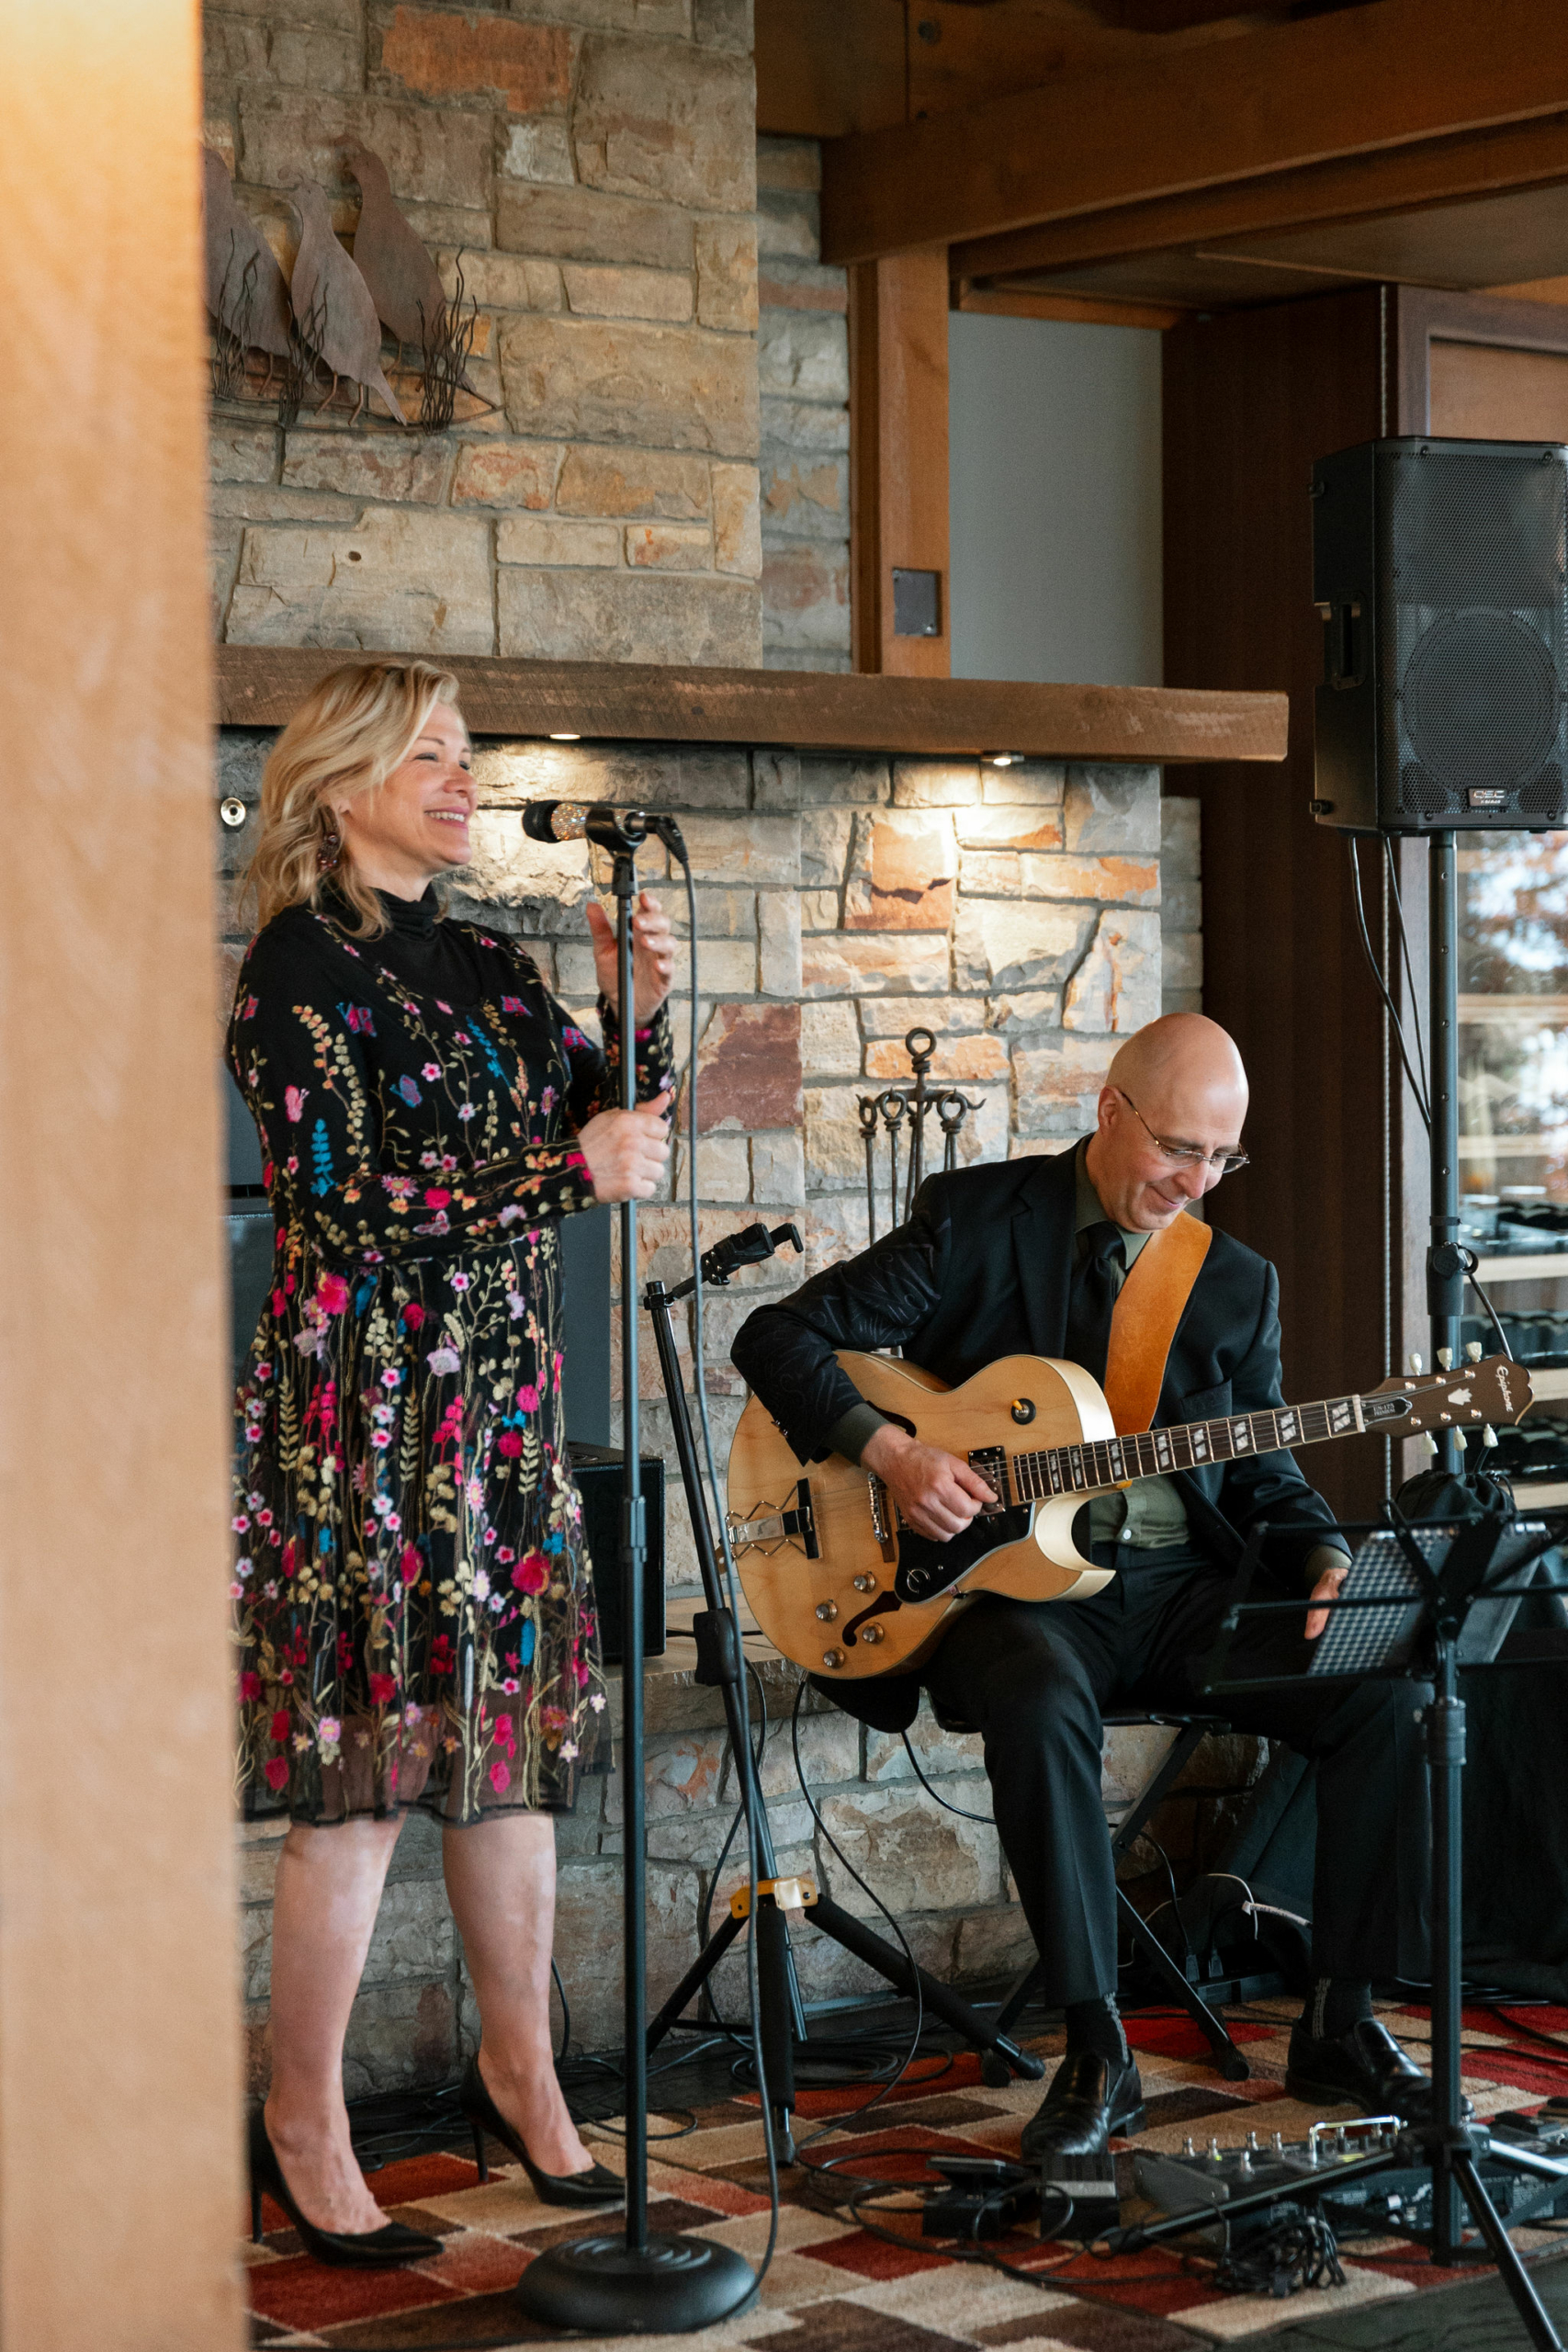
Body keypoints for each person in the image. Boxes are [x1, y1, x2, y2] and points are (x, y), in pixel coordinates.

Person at [732, 1013, 1438, 2162]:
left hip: (1178, 1591)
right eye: (1179, 1149)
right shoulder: (975, 1219)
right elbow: (780, 1337)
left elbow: (1265, 1474)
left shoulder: (1232, 1282)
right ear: (1110, 1110)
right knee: (1038, 1693)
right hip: (1003, 1593)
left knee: (1387, 1691)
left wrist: (1324, 1562)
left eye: (1221, 1158)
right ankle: (1096, 2046)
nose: (1196, 1182)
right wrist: (893, 1452)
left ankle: (1339, 2018)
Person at [229, 660, 676, 2263]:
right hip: (361, 1432)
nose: (461, 775)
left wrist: (633, 1012)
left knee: (508, 1762)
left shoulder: (489, 961)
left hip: (499, 1417)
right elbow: (341, 1206)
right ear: (339, 782)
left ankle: (523, 2079)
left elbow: (616, 1127)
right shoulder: (294, 971)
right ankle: (303, 2120)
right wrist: (565, 1168)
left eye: (464, 750)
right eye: (428, 752)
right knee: (358, 1785)